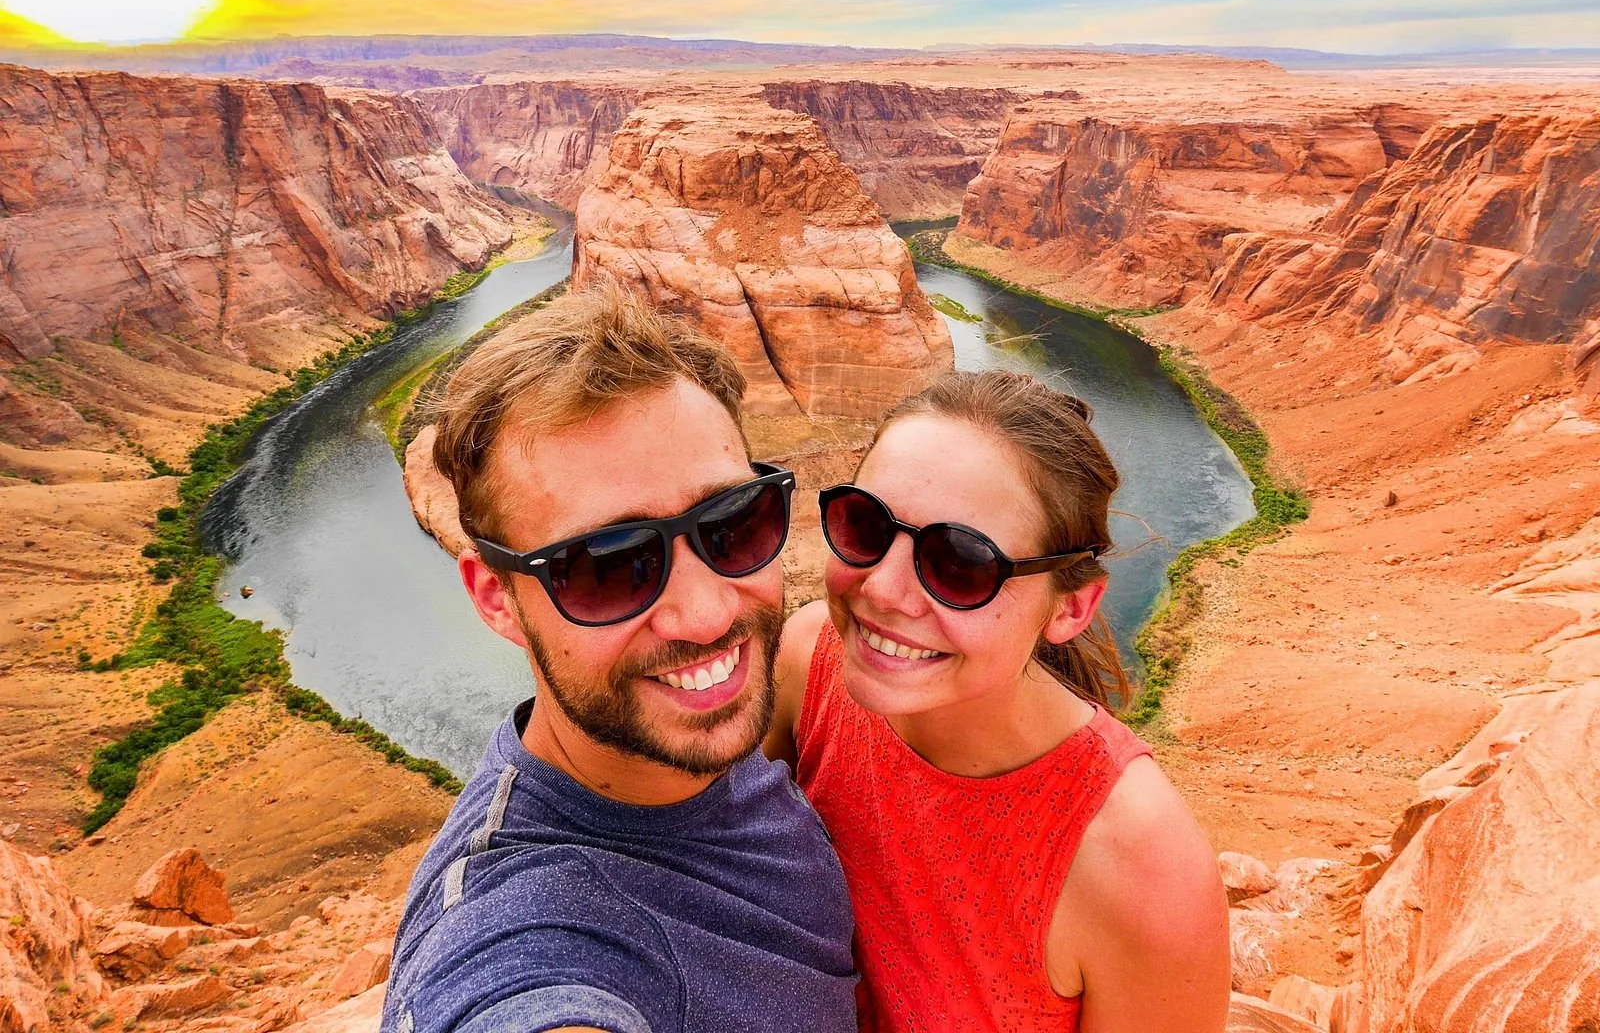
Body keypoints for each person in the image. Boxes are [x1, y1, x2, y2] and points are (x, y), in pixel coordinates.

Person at [383, 285, 857, 1033]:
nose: (707, 612)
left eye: (733, 523)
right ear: (496, 597)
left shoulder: (706, 736)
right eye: (608, 565)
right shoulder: (530, 934)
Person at [767, 370, 1231, 1033]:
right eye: (866, 526)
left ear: (1072, 606)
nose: (883, 590)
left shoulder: (1142, 871)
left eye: (960, 562)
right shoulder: (808, 662)